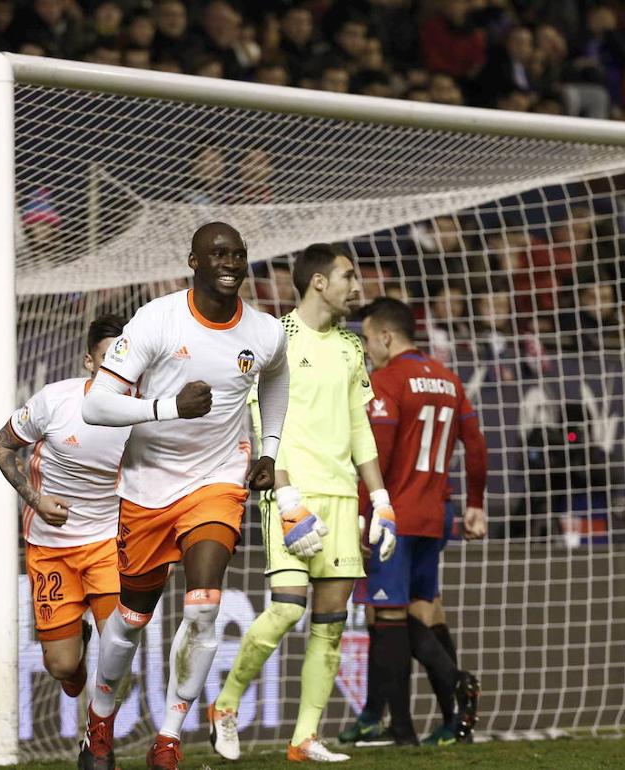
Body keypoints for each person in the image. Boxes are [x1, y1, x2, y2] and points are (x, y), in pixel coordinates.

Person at [77, 222, 288, 770]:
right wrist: (169, 408)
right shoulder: (156, 319)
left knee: (204, 607)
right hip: (147, 486)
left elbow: (276, 380)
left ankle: (169, 738)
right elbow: (96, 406)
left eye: (238, 253)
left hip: (216, 480)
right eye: (218, 253)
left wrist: (269, 450)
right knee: (131, 619)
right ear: (192, 260)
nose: (230, 262)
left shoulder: (265, 333)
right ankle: (100, 722)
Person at [208, 244, 396, 762]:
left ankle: (304, 738)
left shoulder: (351, 348)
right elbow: (259, 418)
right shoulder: (276, 339)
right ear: (318, 282)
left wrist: (380, 499)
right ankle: (224, 705)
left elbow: (361, 428)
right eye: (348, 277)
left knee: (331, 624)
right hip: (291, 492)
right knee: (286, 610)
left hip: (341, 496)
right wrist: (284, 492)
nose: (356, 287)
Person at [339, 297, 487, 747]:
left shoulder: (385, 381)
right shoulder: (447, 379)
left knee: (388, 617)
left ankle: (407, 724)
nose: (366, 348)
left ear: (386, 336)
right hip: (436, 515)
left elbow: (374, 457)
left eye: (367, 338)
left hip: (395, 517)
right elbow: (476, 446)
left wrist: (365, 516)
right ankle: (447, 721)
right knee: (420, 610)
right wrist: (475, 503)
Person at [0, 314, 129, 696]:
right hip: (52, 548)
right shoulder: (55, 400)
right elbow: (1, 445)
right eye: (106, 362)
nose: (117, 373)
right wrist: (35, 499)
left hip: (108, 545)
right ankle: (75, 650)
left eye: (124, 361)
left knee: (119, 661)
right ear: (89, 363)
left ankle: (98, 748)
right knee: (63, 667)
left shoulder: (144, 414)